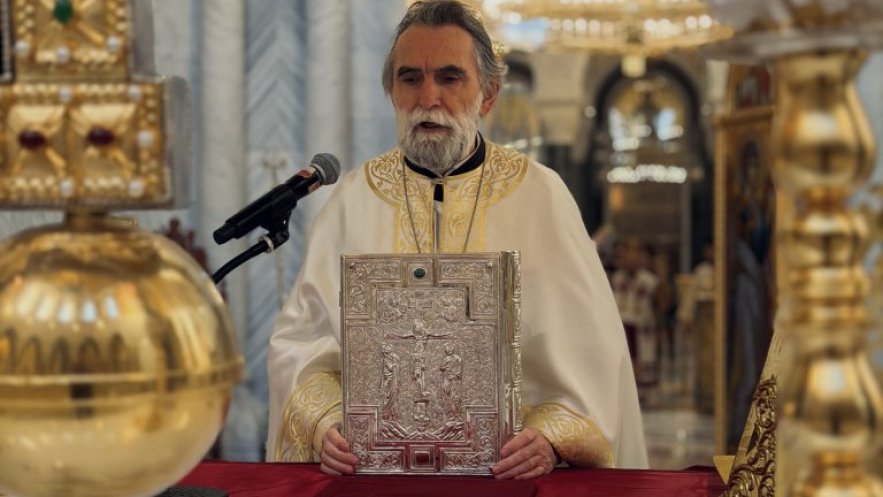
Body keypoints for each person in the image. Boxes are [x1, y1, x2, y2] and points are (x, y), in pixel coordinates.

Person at [266, 0, 647, 479]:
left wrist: (550, 437)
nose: (428, 97)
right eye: (410, 78)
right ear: (391, 91)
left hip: (507, 475)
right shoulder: (354, 198)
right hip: (378, 476)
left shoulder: (540, 194)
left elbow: (594, 354)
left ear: (488, 94)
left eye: (449, 78)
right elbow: (300, 343)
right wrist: (326, 423)